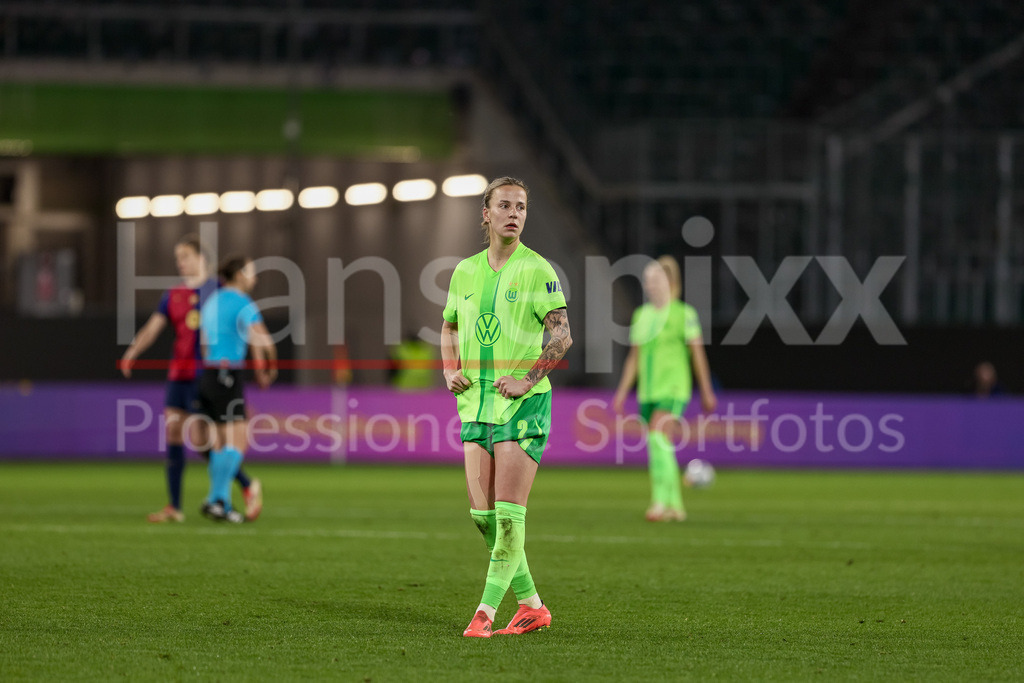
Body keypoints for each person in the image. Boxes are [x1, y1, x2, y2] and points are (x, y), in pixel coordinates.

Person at [441, 176, 572, 638]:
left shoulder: (537, 270)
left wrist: (527, 380)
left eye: (521, 207)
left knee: (510, 514)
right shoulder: (464, 272)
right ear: (486, 213)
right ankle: (532, 605)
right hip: (476, 406)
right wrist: (449, 369)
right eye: (504, 205)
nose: (514, 213)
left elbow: (562, 336)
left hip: (524, 406)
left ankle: (484, 614)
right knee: (483, 517)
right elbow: (449, 326)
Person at [120, 234, 262, 523]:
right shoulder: (173, 295)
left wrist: (254, 359)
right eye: (178, 258)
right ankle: (175, 506)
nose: (180, 263)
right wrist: (133, 350)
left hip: (207, 374)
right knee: (173, 432)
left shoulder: (219, 289)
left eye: (184, 256)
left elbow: (244, 320)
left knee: (203, 441)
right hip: (179, 374)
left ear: (201, 258)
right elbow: (153, 327)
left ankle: (239, 488)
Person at [613, 256, 716, 522]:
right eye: (647, 280)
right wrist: (622, 391)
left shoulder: (684, 314)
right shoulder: (642, 316)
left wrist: (706, 390)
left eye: (655, 279)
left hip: (673, 388)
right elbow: (634, 358)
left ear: (669, 281)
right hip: (648, 391)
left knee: (659, 437)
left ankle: (660, 502)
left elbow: (697, 354)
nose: (650, 285)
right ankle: (675, 506)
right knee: (657, 444)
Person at [197, 255, 277, 523]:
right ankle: (216, 499)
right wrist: (269, 368)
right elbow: (265, 341)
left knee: (219, 444)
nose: (255, 277)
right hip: (227, 374)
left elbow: (204, 344)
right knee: (238, 441)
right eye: (252, 271)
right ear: (240, 274)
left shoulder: (212, 301)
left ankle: (221, 503)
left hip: (209, 374)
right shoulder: (242, 302)